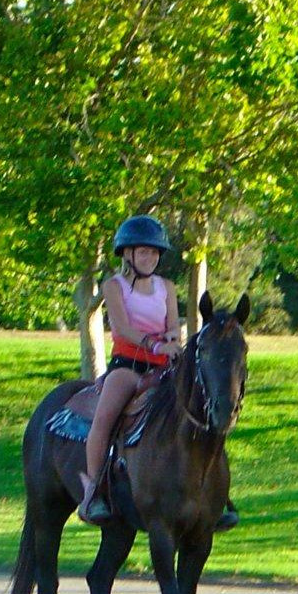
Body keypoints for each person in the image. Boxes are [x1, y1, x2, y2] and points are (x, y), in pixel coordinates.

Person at [77, 215, 239, 532]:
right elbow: (122, 327)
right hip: (127, 366)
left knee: (202, 410)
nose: (149, 258)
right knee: (104, 420)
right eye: (143, 252)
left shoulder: (166, 287)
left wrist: (173, 341)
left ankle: (216, 495)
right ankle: (94, 492)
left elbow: (173, 325)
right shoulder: (113, 286)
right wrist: (155, 344)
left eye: (154, 252)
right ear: (127, 254)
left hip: (164, 367)